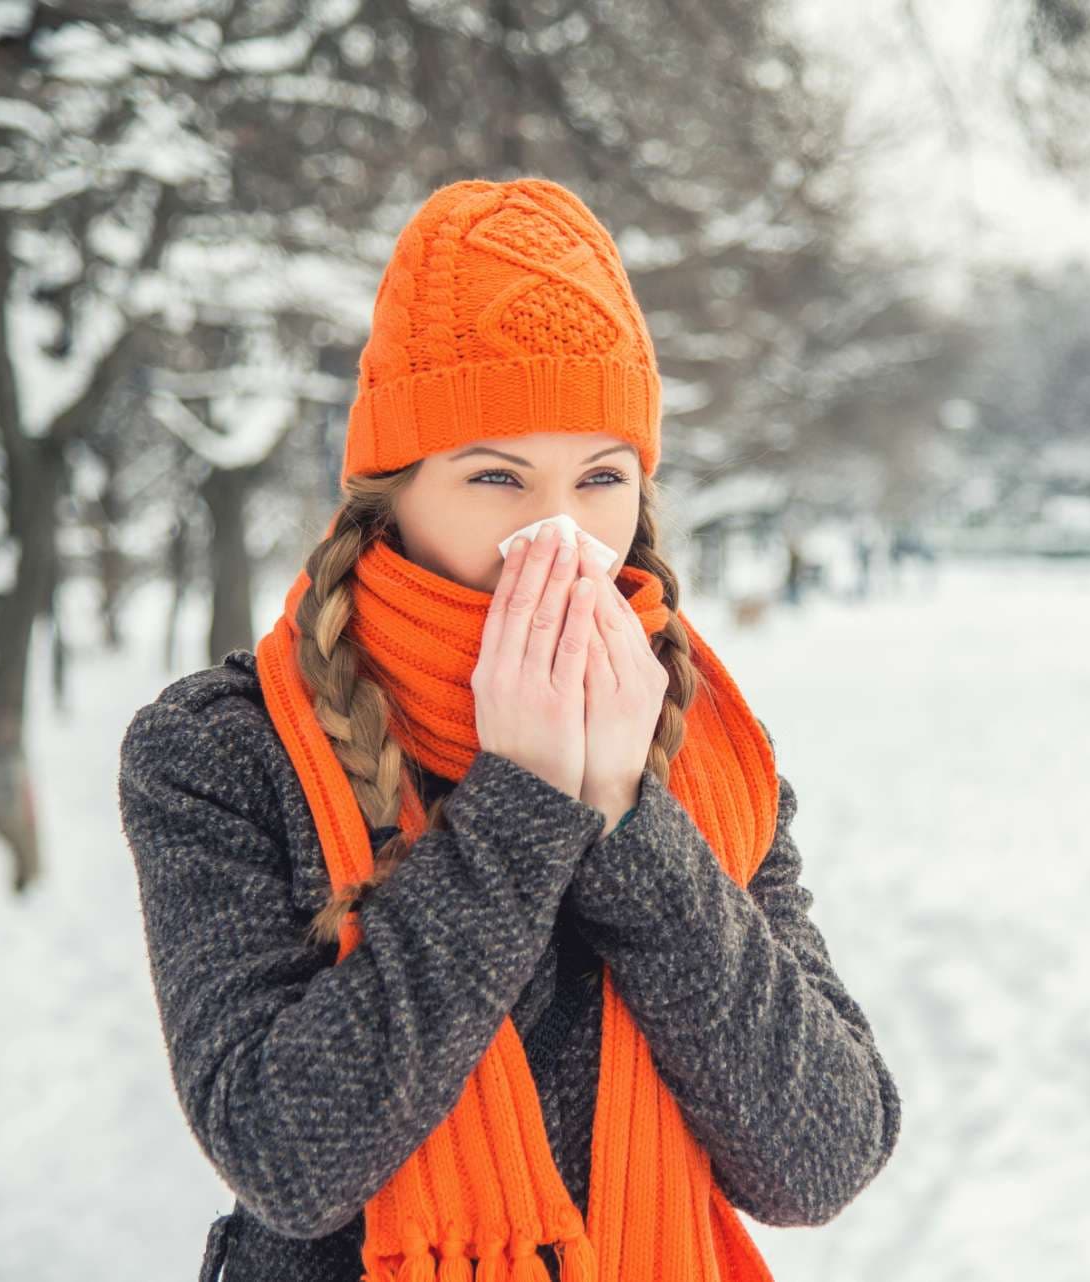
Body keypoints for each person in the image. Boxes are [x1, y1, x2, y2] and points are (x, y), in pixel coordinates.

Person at [116, 177, 901, 1282]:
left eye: (600, 478)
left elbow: (821, 1155)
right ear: (390, 494)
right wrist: (526, 802)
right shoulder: (223, 750)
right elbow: (285, 1156)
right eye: (496, 475)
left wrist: (629, 820)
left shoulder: (710, 751)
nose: (563, 536)